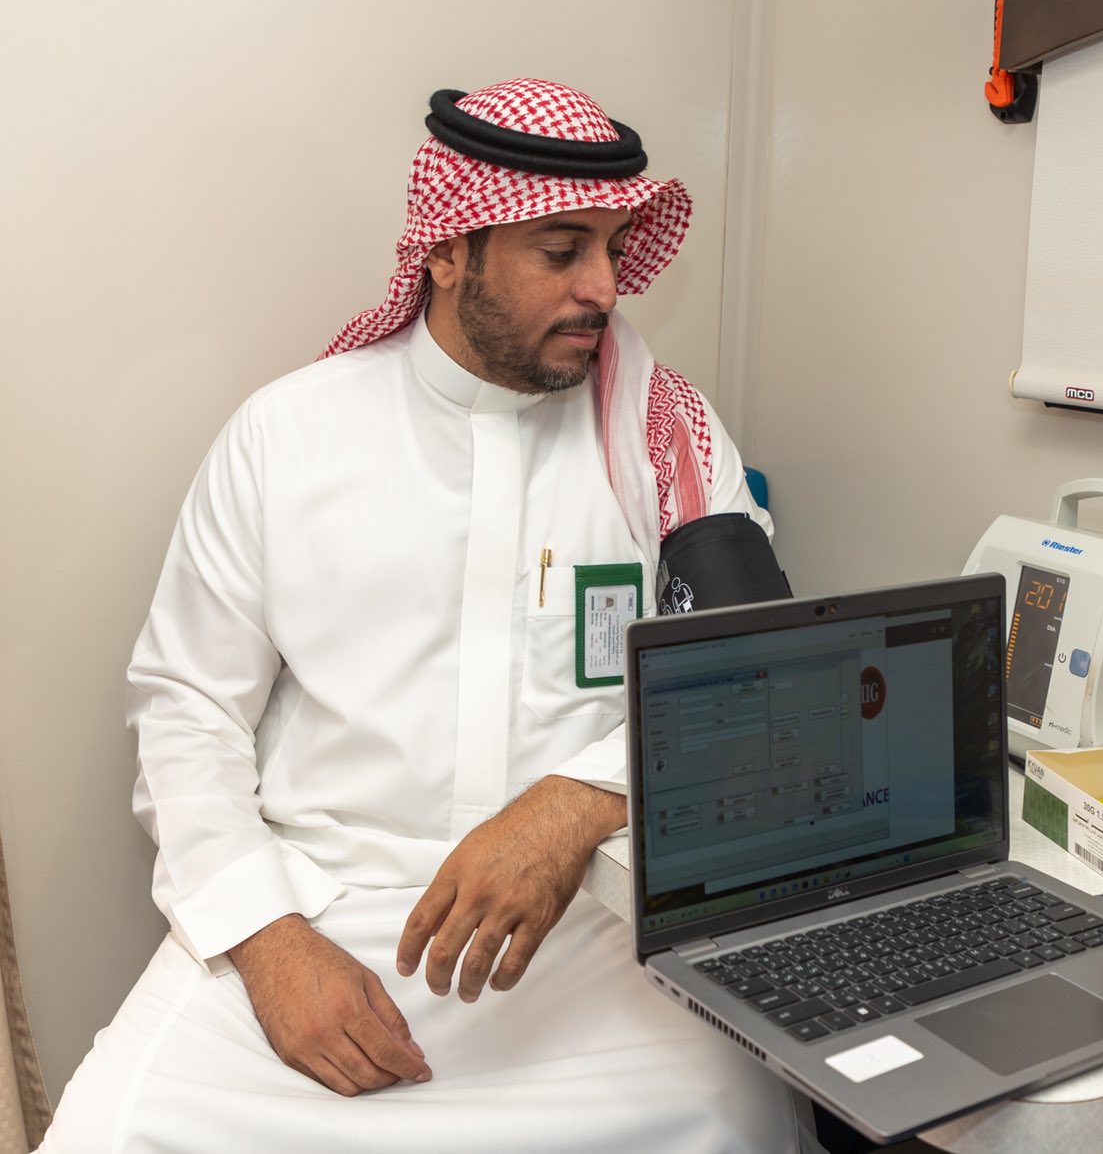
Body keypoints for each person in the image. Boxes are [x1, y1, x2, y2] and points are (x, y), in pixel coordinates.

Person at [40, 79, 797, 1153]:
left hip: (588, 928)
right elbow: (185, 710)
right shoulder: (287, 436)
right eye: (561, 250)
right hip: (321, 914)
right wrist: (269, 944)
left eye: (614, 247)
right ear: (447, 249)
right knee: (108, 1133)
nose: (603, 287)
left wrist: (576, 803)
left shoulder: (666, 435)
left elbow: (751, 669)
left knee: (736, 1120)